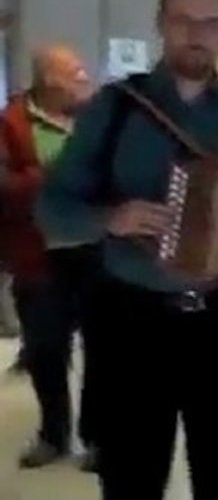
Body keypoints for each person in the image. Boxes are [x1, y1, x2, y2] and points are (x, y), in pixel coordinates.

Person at [36, 0, 218, 500]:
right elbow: (51, 208)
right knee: (132, 477)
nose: (197, 33)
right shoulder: (112, 109)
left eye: (212, 21)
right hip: (130, 320)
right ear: (160, 23)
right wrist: (109, 218)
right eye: (183, 20)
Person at [0, 44, 100, 469]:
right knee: (46, 351)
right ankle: (53, 435)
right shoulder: (10, 123)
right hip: (39, 258)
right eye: (76, 74)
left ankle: (99, 439)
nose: (85, 81)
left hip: (96, 254)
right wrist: (54, 177)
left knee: (103, 352)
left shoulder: (95, 120)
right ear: (50, 81)